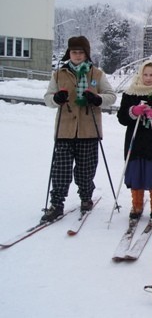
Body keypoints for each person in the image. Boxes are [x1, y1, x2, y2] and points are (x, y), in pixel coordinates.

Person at [42, 36, 116, 222]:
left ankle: (85, 198)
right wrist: (55, 99)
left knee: (86, 169)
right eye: (74, 52)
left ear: (86, 54)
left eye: (80, 52)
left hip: (88, 129)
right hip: (65, 130)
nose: (77, 55)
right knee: (61, 170)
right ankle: (57, 204)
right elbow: (48, 97)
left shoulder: (96, 74)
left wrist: (98, 99)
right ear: (69, 53)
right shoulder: (59, 74)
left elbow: (111, 96)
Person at [117, 60, 152, 221]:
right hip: (135, 141)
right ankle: (136, 205)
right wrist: (133, 111)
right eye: (145, 74)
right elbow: (122, 118)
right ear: (140, 75)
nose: (148, 78)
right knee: (136, 173)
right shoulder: (130, 94)